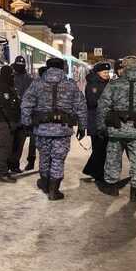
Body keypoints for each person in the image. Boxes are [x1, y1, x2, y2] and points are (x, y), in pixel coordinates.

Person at [21, 58, 87, 200]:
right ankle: (54, 191)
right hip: (62, 130)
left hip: (42, 129)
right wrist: (82, 126)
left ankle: (44, 184)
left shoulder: (37, 83)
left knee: (44, 157)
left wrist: (26, 124)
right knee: (58, 159)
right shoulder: (71, 85)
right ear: (63, 68)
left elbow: (26, 104)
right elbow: (81, 106)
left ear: (48, 67)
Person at [97, 56, 136, 202]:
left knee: (113, 159)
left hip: (116, 129)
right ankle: (135, 192)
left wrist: (101, 127)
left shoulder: (113, 85)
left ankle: (112, 187)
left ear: (124, 68)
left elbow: (103, 107)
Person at [82, 61, 111, 181]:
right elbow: (92, 102)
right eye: (104, 72)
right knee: (99, 149)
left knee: (102, 148)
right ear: (98, 72)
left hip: (105, 122)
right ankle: (97, 174)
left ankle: (92, 170)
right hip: (95, 121)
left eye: (108, 72)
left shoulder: (106, 83)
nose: (107, 74)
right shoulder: (92, 84)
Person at [0, 65, 20, 183]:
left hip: (5, 122)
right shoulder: (2, 88)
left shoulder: (6, 87)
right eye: (11, 75)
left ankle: (0, 171)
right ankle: (1, 173)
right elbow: (4, 107)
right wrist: (10, 123)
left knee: (4, 147)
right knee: (4, 147)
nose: (13, 77)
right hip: (2, 122)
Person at [8, 55, 34, 174]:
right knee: (14, 143)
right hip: (15, 116)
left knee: (18, 143)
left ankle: (14, 165)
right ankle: (11, 164)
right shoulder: (12, 78)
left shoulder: (28, 79)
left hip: (21, 116)